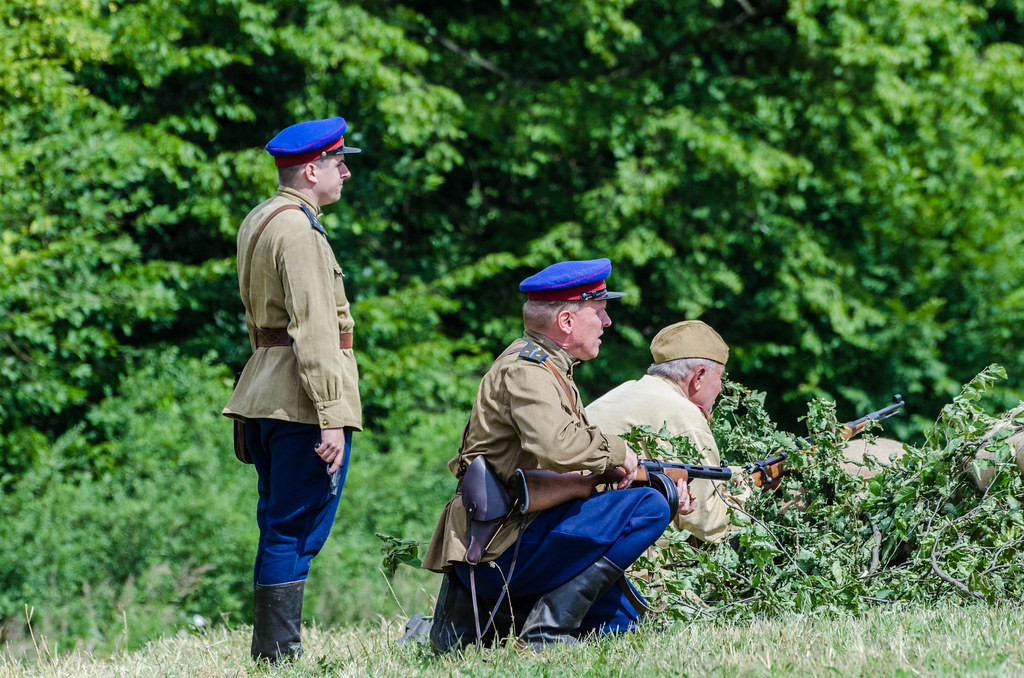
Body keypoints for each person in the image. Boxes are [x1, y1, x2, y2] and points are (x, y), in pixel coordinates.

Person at [421, 259, 696, 653]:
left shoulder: (550, 367)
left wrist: (653, 475)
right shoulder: (528, 371)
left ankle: (507, 621)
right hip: (499, 549)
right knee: (650, 507)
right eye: (599, 311)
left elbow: (569, 467)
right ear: (566, 321)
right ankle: (544, 633)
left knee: (624, 627)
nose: (607, 322)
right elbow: (559, 447)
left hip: (519, 539)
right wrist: (621, 454)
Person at [222, 116, 363, 663]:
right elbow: (315, 327)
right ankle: (279, 656)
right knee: (294, 531)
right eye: (339, 162)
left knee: (278, 525)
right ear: (312, 169)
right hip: (300, 403)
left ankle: (272, 651)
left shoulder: (261, 217)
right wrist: (331, 414)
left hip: (263, 391)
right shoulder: (299, 231)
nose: (346, 172)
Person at [587, 320, 751, 545]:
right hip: (620, 560)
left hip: (582, 533)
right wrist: (749, 491)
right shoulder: (683, 414)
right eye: (720, 377)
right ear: (699, 377)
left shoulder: (627, 390)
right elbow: (709, 524)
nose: (721, 387)